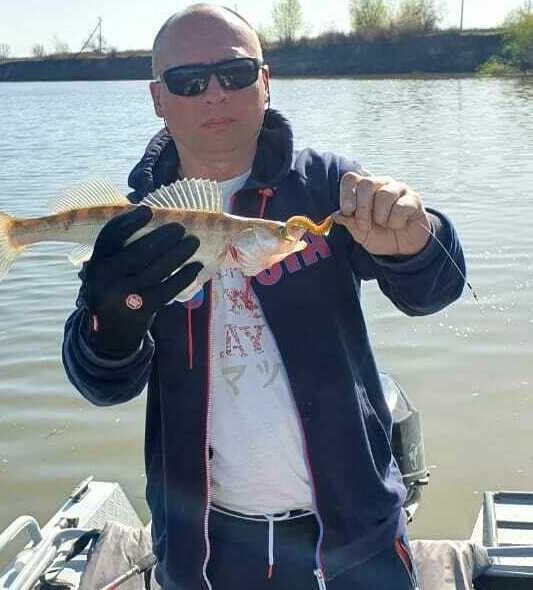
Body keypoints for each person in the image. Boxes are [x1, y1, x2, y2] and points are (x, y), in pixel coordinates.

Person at [63, 4, 465, 589]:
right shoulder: (131, 227)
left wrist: (419, 241)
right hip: (203, 553)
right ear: (158, 99)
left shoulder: (327, 186)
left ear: (266, 80)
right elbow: (101, 384)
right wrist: (114, 321)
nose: (215, 93)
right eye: (188, 80)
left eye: (235, 73)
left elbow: (433, 293)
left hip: (357, 540)